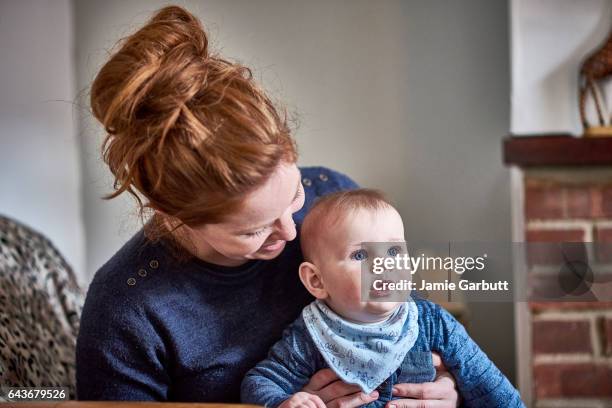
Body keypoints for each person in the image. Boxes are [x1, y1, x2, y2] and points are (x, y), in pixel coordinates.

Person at [76, 5, 461, 406]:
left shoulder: (332, 198)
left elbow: (413, 322)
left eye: (293, 196)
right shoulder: (127, 309)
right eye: (252, 230)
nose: (292, 232)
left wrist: (448, 383)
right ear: (169, 212)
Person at [241, 189, 525, 408]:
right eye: (360, 255)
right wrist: (285, 401)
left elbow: (488, 384)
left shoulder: (432, 322)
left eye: (393, 252)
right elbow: (260, 382)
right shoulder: (310, 335)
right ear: (317, 281)